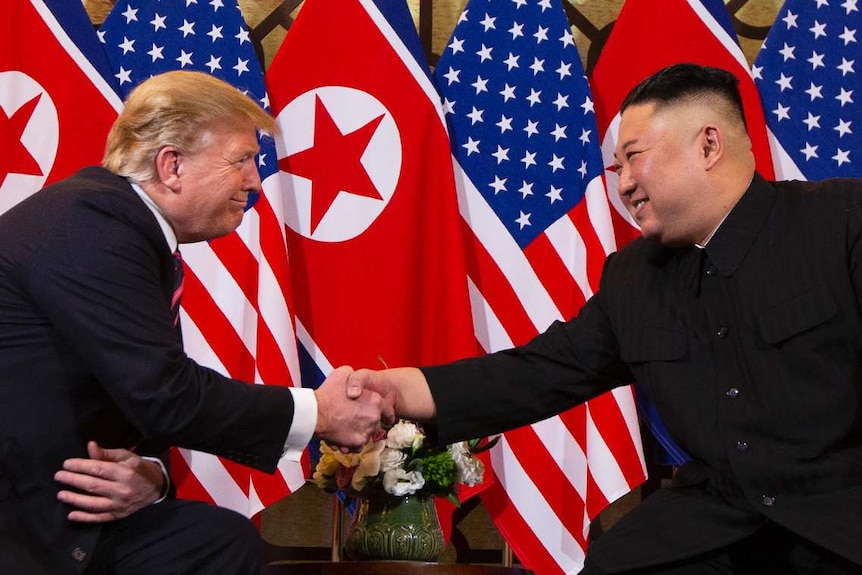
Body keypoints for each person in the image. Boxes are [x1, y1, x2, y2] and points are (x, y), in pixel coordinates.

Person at [344, 63, 862, 574]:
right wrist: (395, 391)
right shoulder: (634, 277)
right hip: (717, 519)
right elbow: (535, 373)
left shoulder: (842, 220)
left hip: (841, 514)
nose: (625, 185)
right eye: (617, 169)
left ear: (708, 146)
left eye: (634, 158)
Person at [0, 70, 387, 575]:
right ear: (172, 165)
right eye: (242, 159)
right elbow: (164, 395)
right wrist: (318, 412)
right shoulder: (90, 226)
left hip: (58, 511)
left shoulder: (121, 226)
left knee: (219, 543)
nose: (255, 180)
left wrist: (151, 477)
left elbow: (137, 400)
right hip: (23, 522)